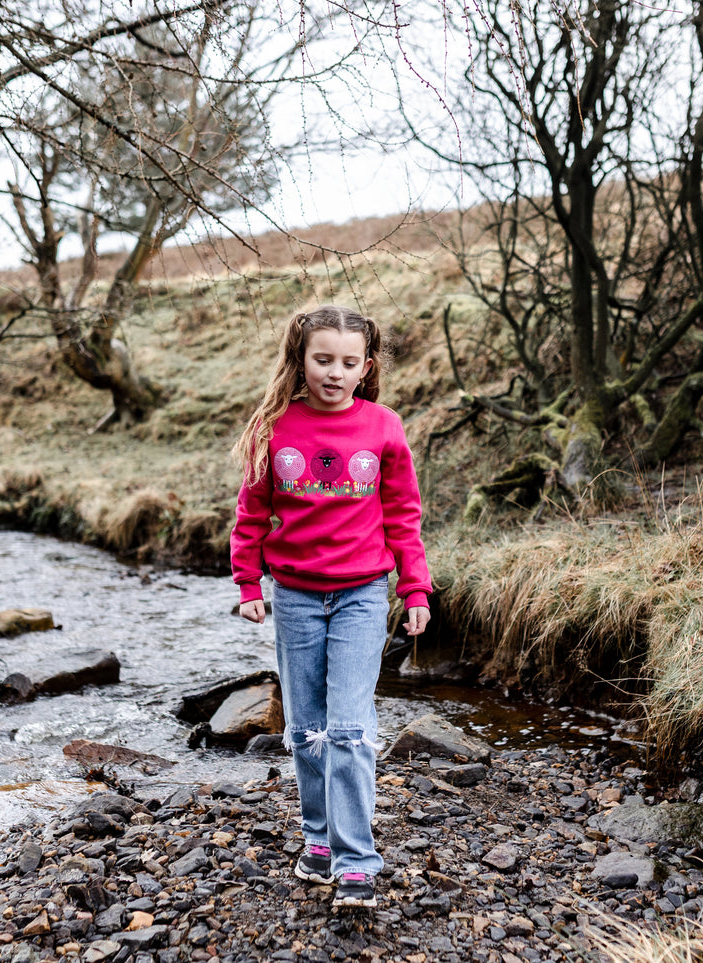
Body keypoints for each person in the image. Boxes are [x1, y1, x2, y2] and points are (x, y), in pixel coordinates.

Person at [230, 304, 432, 911]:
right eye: (323, 359)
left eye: (348, 362)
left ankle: (355, 862)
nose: (335, 372)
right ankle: (318, 841)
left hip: (363, 596)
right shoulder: (275, 428)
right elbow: (251, 514)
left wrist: (415, 587)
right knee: (305, 729)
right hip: (293, 596)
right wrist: (247, 586)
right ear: (302, 360)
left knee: (348, 728)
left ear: (365, 366)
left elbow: (403, 515)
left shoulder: (384, 427)